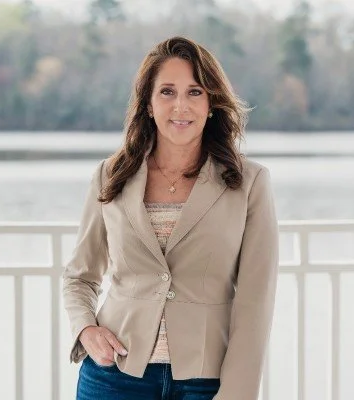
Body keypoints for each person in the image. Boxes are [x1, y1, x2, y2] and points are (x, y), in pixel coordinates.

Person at [62, 35, 279, 400]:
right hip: (114, 377)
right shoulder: (110, 175)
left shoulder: (250, 182)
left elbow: (256, 301)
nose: (181, 105)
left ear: (211, 103)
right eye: (167, 92)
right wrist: (85, 328)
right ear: (148, 104)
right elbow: (79, 276)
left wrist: (237, 392)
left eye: (195, 92)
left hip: (207, 381)